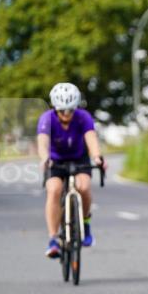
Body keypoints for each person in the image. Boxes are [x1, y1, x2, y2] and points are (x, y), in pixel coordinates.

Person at [37, 83, 106, 258]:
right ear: (55, 108)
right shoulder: (47, 118)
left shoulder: (83, 117)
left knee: (84, 187)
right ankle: (53, 239)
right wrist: (44, 158)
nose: (66, 114)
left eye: (70, 110)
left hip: (79, 158)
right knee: (54, 189)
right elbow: (42, 141)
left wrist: (97, 157)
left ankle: (85, 223)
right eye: (62, 111)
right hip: (55, 160)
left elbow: (91, 138)